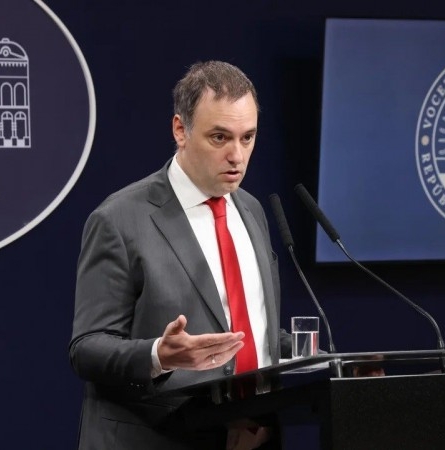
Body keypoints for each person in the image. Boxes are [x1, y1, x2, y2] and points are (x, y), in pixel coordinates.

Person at [69, 61, 291, 450]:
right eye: (220, 137)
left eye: (248, 137)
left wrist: (335, 364)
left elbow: (254, 331)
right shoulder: (120, 219)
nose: (237, 155)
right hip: (157, 438)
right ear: (180, 130)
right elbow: (87, 348)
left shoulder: (251, 210)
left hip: (251, 437)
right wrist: (160, 355)